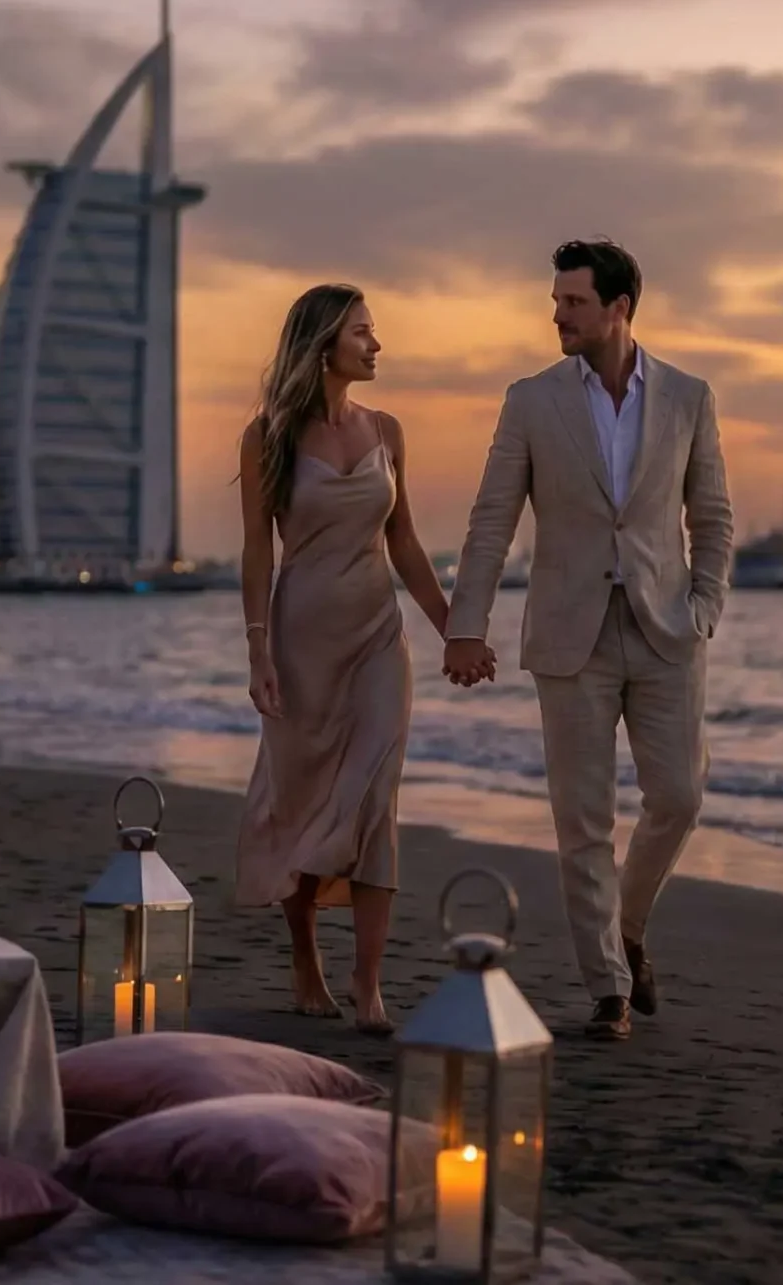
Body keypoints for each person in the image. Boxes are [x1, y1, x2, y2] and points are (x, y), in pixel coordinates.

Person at [443, 239, 733, 1042]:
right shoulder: (531, 400)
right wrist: (468, 624)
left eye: (573, 302)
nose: (558, 315)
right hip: (570, 634)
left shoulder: (687, 395)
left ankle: (628, 926)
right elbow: (492, 516)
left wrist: (705, 604)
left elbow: (711, 516)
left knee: (679, 797)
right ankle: (607, 987)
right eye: (555, 301)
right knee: (583, 820)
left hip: (668, 628)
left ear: (619, 308)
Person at [236, 283, 470, 1035]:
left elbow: (404, 542)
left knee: (374, 802)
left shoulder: (388, 430)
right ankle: (306, 957)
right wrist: (257, 652)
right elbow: (256, 551)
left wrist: (452, 628)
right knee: (303, 801)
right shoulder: (267, 434)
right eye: (364, 333)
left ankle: (369, 986)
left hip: (376, 635)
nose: (377, 345)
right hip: (302, 641)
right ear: (324, 343)